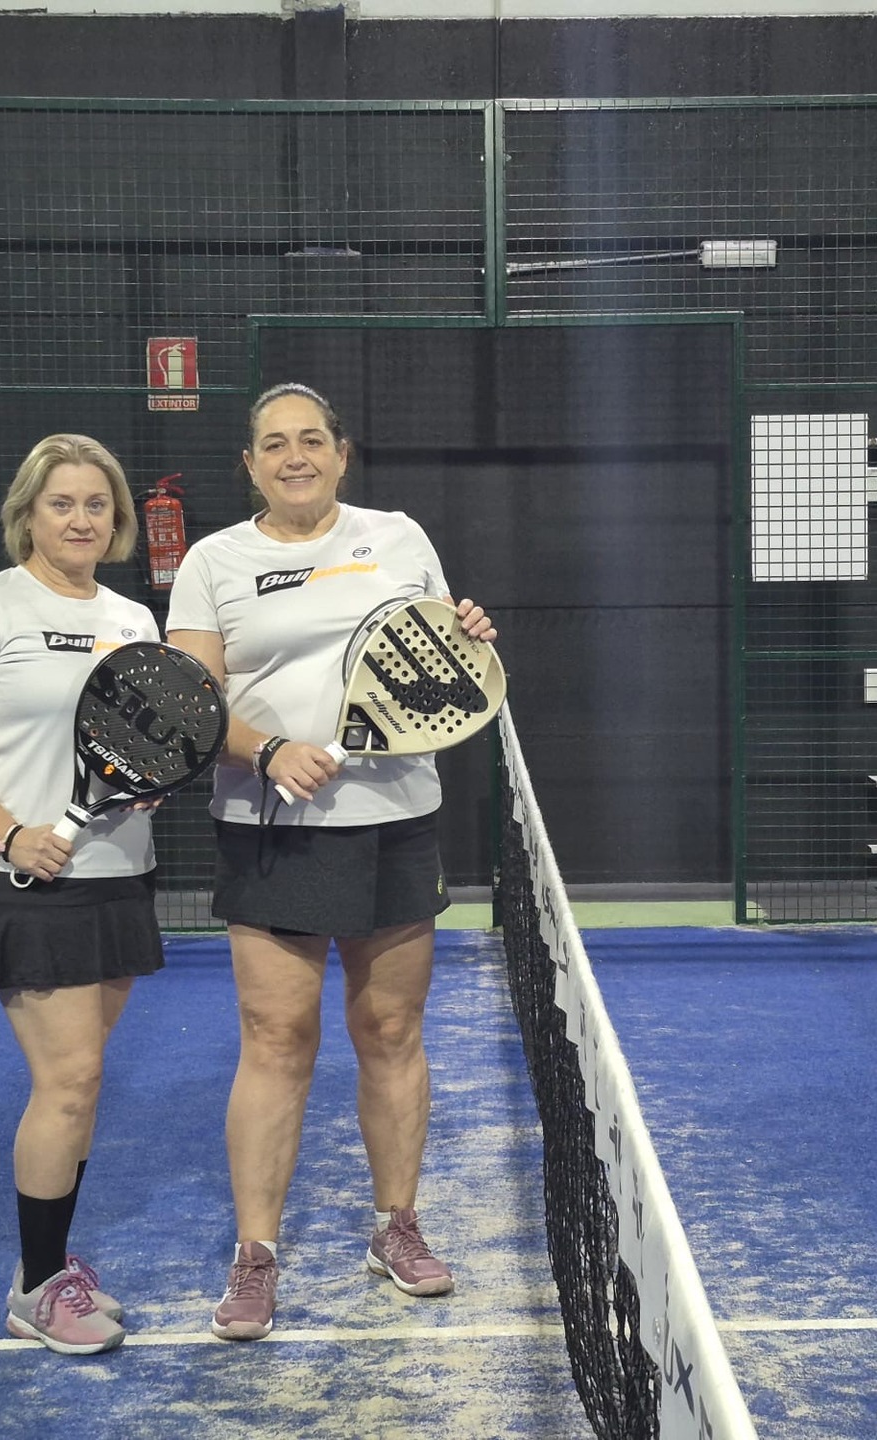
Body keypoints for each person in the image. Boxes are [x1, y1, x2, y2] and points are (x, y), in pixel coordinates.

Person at [165, 383, 496, 1341]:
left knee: (390, 1027)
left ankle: (398, 1226)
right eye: (275, 444)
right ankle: (256, 1255)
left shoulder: (398, 537)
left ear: (341, 454)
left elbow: (435, 659)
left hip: (395, 818)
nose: (295, 456)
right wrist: (267, 749)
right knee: (277, 1036)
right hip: (270, 825)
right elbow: (190, 700)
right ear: (251, 464)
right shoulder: (214, 561)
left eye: (311, 440)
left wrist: (469, 636)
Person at [0, 434, 165, 1356]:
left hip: (117, 874)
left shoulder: (133, 618)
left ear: (117, 519)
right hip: (23, 878)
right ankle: (36, 1289)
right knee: (70, 1080)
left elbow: (148, 739)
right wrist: (12, 834)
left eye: (97, 504)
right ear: (29, 513)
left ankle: (50, 1268)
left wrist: (148, 784)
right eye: (62, 503)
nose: (81, 519)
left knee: (80, 1084)